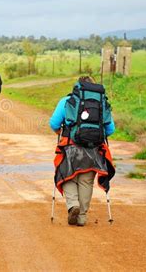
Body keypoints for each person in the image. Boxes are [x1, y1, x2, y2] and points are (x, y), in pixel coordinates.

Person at [50, 76, 115, 226]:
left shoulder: (67, 101)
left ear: (78, 86)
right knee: (86, 181)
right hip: (94, 149)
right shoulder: (101, 102)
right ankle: (82, 217)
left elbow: (54, 123)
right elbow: (110, 129)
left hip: (70, 147)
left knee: (67, 176)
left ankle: (73, 205)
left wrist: (58, 131)